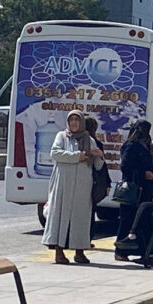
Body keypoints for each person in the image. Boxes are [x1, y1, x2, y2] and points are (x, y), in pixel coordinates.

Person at [42, 111, 103, 264]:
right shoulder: (62, 136)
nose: (74, 123)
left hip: (83, 186)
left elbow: (98, 166)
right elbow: (55, 154)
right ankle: (59, 251)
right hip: (63, 184)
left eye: (77, 120)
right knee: (60, 216)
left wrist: (99, 155)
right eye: (72, 120)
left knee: (80, 218)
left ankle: (79, 251)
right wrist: (78, 156)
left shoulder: (89, 139)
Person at [115, 121, 153, 262]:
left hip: (146, 189)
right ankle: (121, 251)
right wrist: (143, 173)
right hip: (134, 190)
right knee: (127, 220)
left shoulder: (145, 144)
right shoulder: (131, 145)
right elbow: (125, 166)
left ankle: (142, 250)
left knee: (142, 220)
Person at [85, 117, 111, 247]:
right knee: (90, 212)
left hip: (87, 182)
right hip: (92, 183)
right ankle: (87, 239)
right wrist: (107, 183)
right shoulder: (96, 143)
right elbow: (102, 166)